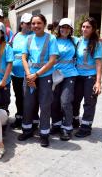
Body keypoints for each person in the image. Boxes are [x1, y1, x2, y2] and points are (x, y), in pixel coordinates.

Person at [18, 14, 59, 147]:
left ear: (44, 24)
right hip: (30, 76)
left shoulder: (51, 39)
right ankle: (27, 130)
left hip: (44, 77)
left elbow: (52, 60)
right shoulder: (29, 39)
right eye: (33, 23)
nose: (35, 26)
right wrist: (29, 74)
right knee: (28, 104)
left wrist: (36, 74)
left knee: (45, 105)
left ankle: (44, 134)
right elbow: (24, 58)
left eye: (38, 23)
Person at [72, 17, 102, 137]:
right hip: (77, 76)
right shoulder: (77, 41)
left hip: (90, 77)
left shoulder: (96, 44)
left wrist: (98, 82)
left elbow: (99, 64)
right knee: (75, 100)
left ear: (93, 29)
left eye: (88, 27)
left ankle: (86, 127)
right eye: (83, 26)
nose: (85, 29)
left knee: (89, 103)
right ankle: (74, 121)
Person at [50, 18, 79, 141]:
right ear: (58, 28)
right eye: (62, 27)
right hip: (55, 74)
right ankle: (56, 124)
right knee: (54, 101)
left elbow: (88, 42)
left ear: (71, 29)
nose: (64, 29)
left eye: (67, 27)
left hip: (70, 75)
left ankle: (67, 128)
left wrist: (100, 39)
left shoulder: (75, 41)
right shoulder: (53, 40)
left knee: (65, 101)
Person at [9, 13, 34, 129]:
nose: (30, 25)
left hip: (29, 74)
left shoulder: (34, 36)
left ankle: (32, 120)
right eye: (28, 23)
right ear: (22, 24)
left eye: (31, 23)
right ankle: (19, 117)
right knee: (18, 97)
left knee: (30, 98)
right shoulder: (15, 36)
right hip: (15, 74)